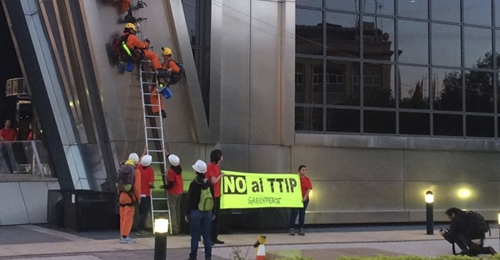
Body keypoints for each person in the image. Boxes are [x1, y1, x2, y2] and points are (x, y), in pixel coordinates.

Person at [185, 159, 214, 260]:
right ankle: (208, 257)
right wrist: (213, 212)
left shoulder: (194, 184)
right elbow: (213, 198)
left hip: (195, 212)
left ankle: (193, 257)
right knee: (207, 236)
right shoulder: (209, 184)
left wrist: (187, 213)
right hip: (208, 212)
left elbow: (190, 200)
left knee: (195, 237)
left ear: (196, 171)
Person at [117, 153, 141, 244]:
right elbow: (137, 187)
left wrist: (119, 194)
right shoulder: (136, 171)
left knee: (122, 216)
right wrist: (138, 197)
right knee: (128, 217)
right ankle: (125, 236)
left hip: (121, 195)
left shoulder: (122, 168)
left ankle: (122, 234)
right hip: (130, 196)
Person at [161, 149, 183, 234]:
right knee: (178, 209)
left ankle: (175, 229)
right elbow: (173, 160)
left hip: (173, 192)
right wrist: (167, 154)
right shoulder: (179, 166)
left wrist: (163, 186)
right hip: (180, 190)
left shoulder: (170, 171)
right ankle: (178, 226)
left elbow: (171, 184)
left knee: (173, 210)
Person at [205, 149, 224, 244]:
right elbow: (213, 181)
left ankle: (214, 237)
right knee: (210, 217)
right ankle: (208, 238)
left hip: (217, 194)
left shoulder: (217, 167)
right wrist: (220, 176)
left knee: (216, 217)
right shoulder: (210, 167)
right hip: (211, 195)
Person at [289, 164, 312, 236]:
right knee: (294, 214)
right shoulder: (296, 179)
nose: (304, 171)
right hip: (296, 199)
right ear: (299, 171)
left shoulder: (307, 179)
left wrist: (305, 197)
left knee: (302, 214)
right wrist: (296, 176)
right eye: (302, 170)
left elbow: (308, 189)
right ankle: (291, 228)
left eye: (305, 170)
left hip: (305, 199)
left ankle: (301, 229)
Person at [136, 150, 154, 236]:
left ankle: (140, 228)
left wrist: (144, 151)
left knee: (140, 212)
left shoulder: (139, 168)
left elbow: (139, 161)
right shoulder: (150, 170)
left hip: (139, 194)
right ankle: (140, 229)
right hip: (146, 194)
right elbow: (150, 183)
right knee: (144, 213)